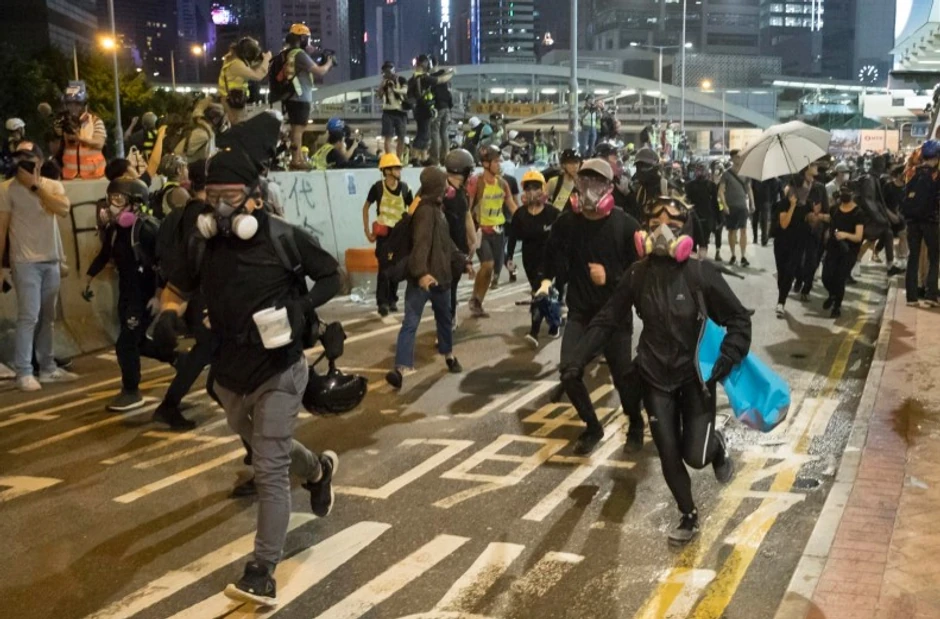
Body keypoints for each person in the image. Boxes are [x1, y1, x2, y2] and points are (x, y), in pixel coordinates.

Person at [151, 144, 342, 605]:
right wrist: (169, 314)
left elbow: (332, 275)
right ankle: (318, 470)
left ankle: (262, 570)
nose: (220, 207)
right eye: (212, 195)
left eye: (230, 196)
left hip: (280, 368)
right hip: (228, 371)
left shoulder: (282, 237)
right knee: (259, 443)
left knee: (268, 468)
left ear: (255, 196)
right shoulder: (202, 243)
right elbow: (176, 288)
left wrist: (301, 307)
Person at [565, 196, 750, 545]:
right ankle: (688, 514)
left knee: (695, 456)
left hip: (695, 378)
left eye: (673, 226)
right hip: (654, 375)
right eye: (654, 226)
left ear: (686, 232)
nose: (662, 233)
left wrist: (729, 353)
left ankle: (716, 446)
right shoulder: (638, 275)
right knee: (667, 450)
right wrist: (577, 358)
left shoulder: (700, 275)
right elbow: (607, 319)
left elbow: (739, 318)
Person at [537, 159, 644, 455]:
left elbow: (642, 272)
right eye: (584, 182)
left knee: (623, 380)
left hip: (615, 318)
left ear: (609, 188)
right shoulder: (568, 223)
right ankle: (593, 427)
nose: (588, 190)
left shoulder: (626, 226)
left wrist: (612, 276)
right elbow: (550, 255)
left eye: (596, 183)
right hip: (581, 313)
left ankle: (636, 423)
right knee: (569, 372)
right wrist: (545, 281)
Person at [84, 178, 173, 411]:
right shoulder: (114, 230)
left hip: (144, 295)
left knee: (125, 344)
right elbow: (105, 254)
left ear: (135, 203)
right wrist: (88, 278)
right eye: (110, 198)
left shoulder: (147, 229)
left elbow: (164, 263)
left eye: (118, 199)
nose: (111, 205)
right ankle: (179, 359)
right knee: (138, 341)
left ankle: (131, 391)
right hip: (126, 293)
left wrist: (159, 294)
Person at [0, 142, 78, 391]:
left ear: (40, 162)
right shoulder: (6, 189)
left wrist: (35, 186)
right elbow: (2, 228)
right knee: (29, 316)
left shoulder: (52, 186)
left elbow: (63, 208)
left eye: (29, 159)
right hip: (25, 262)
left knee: (47, 317)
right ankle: (24, 371)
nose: (23, 164)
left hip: (50, 259)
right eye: (19, 159)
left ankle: (47, 367)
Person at [385, 166, 465, 389]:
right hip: (427, 279)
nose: (448, 187)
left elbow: (445, 242)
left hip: (438, 277)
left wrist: (461, 259)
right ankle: (408, 367)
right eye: (444, 183)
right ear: (437, 186)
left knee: (426, 321)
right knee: (428, 321)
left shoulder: (435, 209)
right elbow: (421, 244)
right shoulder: (426, 212)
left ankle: (405, 367)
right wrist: (421, 273)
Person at [507, 169, 561, 347]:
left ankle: (534, 332)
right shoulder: (520, 214)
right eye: (528, 188)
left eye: (536, 187)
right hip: (529, 258)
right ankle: (554, 321)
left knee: (538, 293)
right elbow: (513, 237)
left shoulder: (552, 213)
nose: (532, 192)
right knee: (542, 293)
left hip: (549, 257)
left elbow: (565, 234)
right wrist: (509, 257)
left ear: (543, 189)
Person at [467, 144, 518, 317]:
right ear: (485, 163)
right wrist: (468, 232)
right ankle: (475, 299)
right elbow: (468, 208)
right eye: (496, 161)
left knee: (493, 270)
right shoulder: (476, 182)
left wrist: (526, 219)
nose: (499, 164)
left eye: (499, 161)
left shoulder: (502, 183)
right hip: (481, 231)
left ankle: (478, 301)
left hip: (498, 231)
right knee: (487, 264)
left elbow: (511, 205)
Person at [363, 153, 414, 316]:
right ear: (386, 171)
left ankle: (392, 299)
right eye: (396, 168)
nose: (399, 171)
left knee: (397, 266)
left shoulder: (405, 189)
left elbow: (412, 210)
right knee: (384, 267)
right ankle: (382, 302)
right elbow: (366, 207)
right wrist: (368, 231)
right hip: (384, 234)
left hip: (400, 234)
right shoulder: (378, 188)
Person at [281, 23, 334, 170]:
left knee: (296, 129)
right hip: (300, 97)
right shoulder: (300, 54)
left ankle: (296, 158)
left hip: (292, 96)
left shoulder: (290, 53)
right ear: (302, 38)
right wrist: (328, 63)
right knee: (298, 130)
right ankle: (297, 160)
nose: (309, 42)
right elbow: (320, 71)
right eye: (308, 38)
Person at [440, 149, 478, 329]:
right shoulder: (440, 191)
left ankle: (449, 318)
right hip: (443, 246)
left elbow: (466, 215)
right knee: (444, 286)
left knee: (451, 286)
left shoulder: (462, 192)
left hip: (458, 247)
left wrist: (473, 240)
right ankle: (446, 317)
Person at [900, 139, 940, 308]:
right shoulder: (936, 174)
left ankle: (911, 297)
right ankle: (931, 295)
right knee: (934, 257)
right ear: (936, 157)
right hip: (930, 221)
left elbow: (905, 193)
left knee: (913, 257)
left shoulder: (911, 172)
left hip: (912, 221)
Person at [822, 182, 865, 318]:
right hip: (833, 248)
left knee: (839, 279)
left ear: (853, 194)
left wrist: (845, 235)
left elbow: (858, 237)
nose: (844, 194)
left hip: (848, 251)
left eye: (847, 191)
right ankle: (833, 295)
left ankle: (837, 306)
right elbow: (830, 223)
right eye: (842, 191)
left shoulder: (858, 213)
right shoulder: (834, 209)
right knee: (826, 277)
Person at [789, 163, 829, 301]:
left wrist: (825, 226)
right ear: (806, 168)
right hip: (798, 228)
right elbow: (789, 209)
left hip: (815, 230)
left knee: (812, 261)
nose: (817, 167)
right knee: (796, 260)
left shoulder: (820, 187)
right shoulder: (795, 186)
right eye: (814, 165)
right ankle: (799, 278)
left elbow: (826, 209)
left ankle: (807, 287)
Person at [408, 55, 454, 164]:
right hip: (425, 108)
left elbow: (409, 96)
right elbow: (440, 80)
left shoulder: (412, 79)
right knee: (426, 134)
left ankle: (423, 158)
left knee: (425, 133)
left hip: (419, 109)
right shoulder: (424, 77)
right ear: (424, 64)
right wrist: (451, 73)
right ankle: (418, 158)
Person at [56, 81, 106, 180]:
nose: (73, 107)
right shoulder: (64, 123)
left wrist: (79, 139)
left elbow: (99, 143)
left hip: (94, 176)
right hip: (69, 176)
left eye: (77, 104)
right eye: (70, 104)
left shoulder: (95, 121)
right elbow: (55, 151)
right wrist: (57, 135)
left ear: (83, 105)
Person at [219, 37, 273, 125]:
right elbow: (258, 75)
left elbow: (250, 68)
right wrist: (266, 59)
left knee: (237, 124)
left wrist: (262, 61)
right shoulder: (236, 64)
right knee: (238, 125)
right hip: (233, 99)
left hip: (231, 98)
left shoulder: (233, 58)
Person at [718, 151, 754, 266]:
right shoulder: (726, 174)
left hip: (742, 206)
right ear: (732, 158)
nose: (740, 159)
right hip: (731, 206)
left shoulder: (746, 173)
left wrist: (752, 203)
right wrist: (724, 205)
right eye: (738, 157)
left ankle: (743, 256)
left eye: (740, 157)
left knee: (743, 230)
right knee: (732, 231)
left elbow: (749, 189)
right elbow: (721, 191)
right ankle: (733, 255)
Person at [685, 161, 721, 260]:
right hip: (693, 217)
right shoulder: (689, 185)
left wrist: (719, 218)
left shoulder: (711, 185)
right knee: (693, 241)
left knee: (704, 242)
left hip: (707, 218)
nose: (700, 172)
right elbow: (686, 201)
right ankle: (694, 262)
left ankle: (701, 261)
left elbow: (717, 203)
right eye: (698, 169)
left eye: (702, 169)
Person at [174, 101, 225, 166]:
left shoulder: (208, 132)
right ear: (216, 119)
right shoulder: (203, 134)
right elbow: (179, 153)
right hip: (189, 169)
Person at [378, 61, 409, 158]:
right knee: (388, 136)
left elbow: (405, 91)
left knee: (401, 137)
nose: (386, 74)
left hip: (400, 111)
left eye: (388, 71)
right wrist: (382, 86)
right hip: (387, 111)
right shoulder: (384, 82)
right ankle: (389, 158)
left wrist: (394, 89)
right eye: (384, 72)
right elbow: (380, 95)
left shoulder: (401, 79)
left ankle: (398, 159)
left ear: (393, 70)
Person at [429, 64, 454, 165]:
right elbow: (450, 97)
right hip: (447, 108)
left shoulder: (432, 80)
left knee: (435, 132)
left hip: (438, 108)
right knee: (444, 132)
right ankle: (446, 156)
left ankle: (436, 159)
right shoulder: (445, 83)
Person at [544, 148, 581, 213]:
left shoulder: (582, 183)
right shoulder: (554, 182)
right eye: (570, 163)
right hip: (558, 217)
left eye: (576, 162)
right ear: (563, 165)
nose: (575, 166)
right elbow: (541, 201)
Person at [751, 177, 782, 247]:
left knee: (763, 219)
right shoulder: (756, 178)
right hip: (760, 199)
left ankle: (763, 239)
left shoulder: (768, 177)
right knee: (757, 219)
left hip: (764, 199)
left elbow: (774, 187)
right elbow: (752, 188)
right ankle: (757, 238)